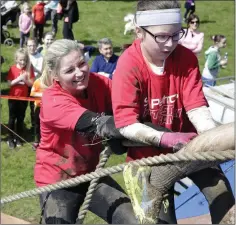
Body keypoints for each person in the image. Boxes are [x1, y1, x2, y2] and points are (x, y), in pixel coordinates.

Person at [111, 0, 234, 224]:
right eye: (162, 37)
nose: (170, 44)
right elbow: (125, 123)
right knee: (158, 219)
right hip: (145, 158)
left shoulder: (186, 57)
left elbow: (196, 105)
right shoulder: (128, 65)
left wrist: (213, 140)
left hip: (191, 147)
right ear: (139, 31)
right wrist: (166, 137)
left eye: (177, 35)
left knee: (224, 199)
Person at [34, 39, 138, 224]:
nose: (79, 73)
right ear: (55, 76)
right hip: (57, 179)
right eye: (69, 70)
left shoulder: (100, 83)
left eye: (82, 64)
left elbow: (129, 105)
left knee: (133, 221)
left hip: (90, 174)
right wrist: (118, 130)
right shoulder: (53, 101)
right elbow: (96, 123)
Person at [6, 48, 34, 149]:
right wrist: (18, 79)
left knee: (21, 118)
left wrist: (25, 80)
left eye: (25, 60)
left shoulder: (28, 69)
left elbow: (31, 84)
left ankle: (18, 138)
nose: (23, 62)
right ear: (16, 59)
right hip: (13, 98)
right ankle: (10, 138)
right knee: (12, 118)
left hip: (24, 99)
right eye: (21, 60)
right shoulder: (12, 69)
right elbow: (9, 84)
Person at [27, 38, 44, 142]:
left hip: (37, 84)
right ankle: (33, 126)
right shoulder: (26, 56)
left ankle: (36, 126)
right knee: (28, 105)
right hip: (27, 84)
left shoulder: (40, 57)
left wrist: (32, 67)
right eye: (29, 46)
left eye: (33, 45)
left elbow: (42, 72)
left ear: (37, 46)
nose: (31, 48)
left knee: (36, 107)